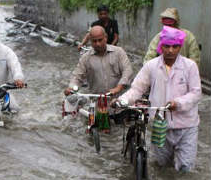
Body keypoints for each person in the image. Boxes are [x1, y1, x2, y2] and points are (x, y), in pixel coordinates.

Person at [115, 26, 201, 172]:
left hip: (187, 126)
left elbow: (196, 93)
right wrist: (122, 101)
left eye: (175, 46)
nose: (170, 50)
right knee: (160, 166)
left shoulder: (190, 66)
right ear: (161, 46)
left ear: (180, 47)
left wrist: (178, 103)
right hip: (160, 125)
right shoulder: (151, 66)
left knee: (185, 169)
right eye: (167, 46)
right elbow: (137, 88)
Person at [65, 26, 133, 96]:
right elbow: (77, 76)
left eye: (100, 40)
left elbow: (127, 71)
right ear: (90, 41)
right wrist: (71, 88)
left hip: (118, 98)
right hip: (97, 99)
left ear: (105, 37)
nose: (98, 44)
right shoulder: (85, 58)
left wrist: (119, 87)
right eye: (94, 41)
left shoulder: (118, 52)